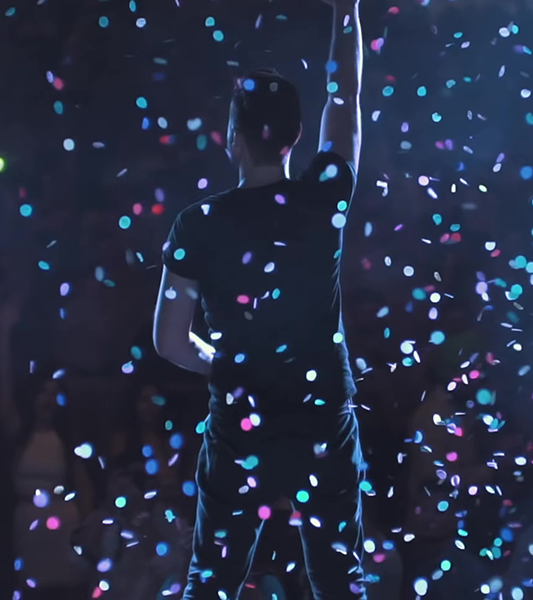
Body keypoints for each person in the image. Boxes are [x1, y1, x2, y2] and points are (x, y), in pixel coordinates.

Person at [151, 0, 365, 597]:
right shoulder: (323, 197)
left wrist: (229, 364)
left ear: (233, 138)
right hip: (321, 414)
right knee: (339, 581)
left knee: (211, 582)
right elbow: (345, 99)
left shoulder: (197, 225)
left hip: (241, 421)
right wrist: (346, 12)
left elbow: (170, 341)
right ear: (296, 135)